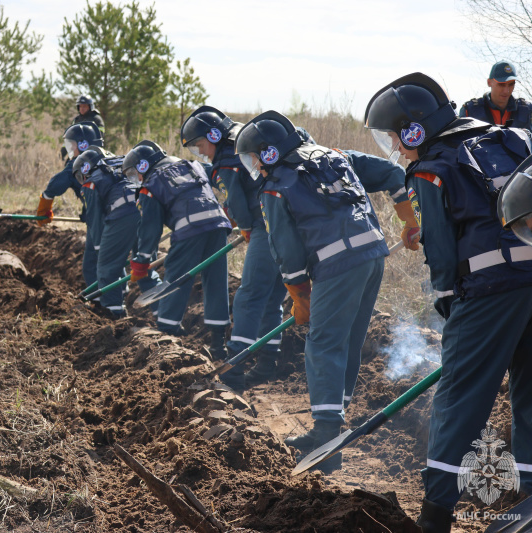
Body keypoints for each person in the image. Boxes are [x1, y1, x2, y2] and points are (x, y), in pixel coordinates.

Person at [365, 72, 532, 533]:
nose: (397, 149)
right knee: (530, 393)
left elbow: (440, 256)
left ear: (415, 128)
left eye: (397, 137)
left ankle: (436, 514)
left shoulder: (430, 169)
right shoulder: (509, 138)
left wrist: (447, 305)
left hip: (490, 290)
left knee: (459, 399)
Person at [236, 111, 390, 473]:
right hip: (373, 254)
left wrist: (299, 294)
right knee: (348, 339)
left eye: (254, 157)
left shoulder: (276, 185)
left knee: (322, 343)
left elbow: (286, 249)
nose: (254, 165)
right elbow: (388, 175)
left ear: (269, 153)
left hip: (338, 265)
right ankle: (332, 425)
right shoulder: (330, 155)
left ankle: (325, 439)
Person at [180, 106, 284, 388]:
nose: (202, 153)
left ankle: (234, 369)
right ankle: (267, 364)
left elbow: (237, 202)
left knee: (248, 297)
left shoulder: (226, 160)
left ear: (213, 136)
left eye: (201, 146)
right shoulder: (243, 141)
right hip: (288, 223)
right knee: (272, 298)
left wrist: (247, 229)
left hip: (267, 226)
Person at [122, 140, 232, 356]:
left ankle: (166, 333)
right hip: (218, 226)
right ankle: (218, 345)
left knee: (176, 279)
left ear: (144, 166)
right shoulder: (191, 165)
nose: (138, 179)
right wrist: (233, 211)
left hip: (190, 230)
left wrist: (142, 261)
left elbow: (149, 228)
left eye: (135, 174)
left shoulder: (151, 184)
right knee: (216, 281)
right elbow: (222, 180)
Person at [73, 146, 160, 317]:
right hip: (147, 210)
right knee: (145, 267)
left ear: (85, 170)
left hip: (123, 216)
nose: (81, 180)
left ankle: (114, 315)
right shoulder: (122, 167)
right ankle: (165, 313)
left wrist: (99, 249)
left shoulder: (91, 183)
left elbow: (95, 220)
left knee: (107, 267)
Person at [36, 122, 103, 288]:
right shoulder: (107, 157)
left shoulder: (79, 163)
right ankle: (110, 300)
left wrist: (45, 204)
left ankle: (108, 305)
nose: (70, 149)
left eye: (72, 145)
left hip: (100, 221)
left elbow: (56, 184)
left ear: (82, 145)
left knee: (96, 262)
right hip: (115, 217)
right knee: (104, 260)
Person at [459, 60, 531, 131]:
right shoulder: (469, 111)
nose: (506, 91)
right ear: (489, 82)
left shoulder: (528, 110)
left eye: (511, 84)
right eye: (501, 85)